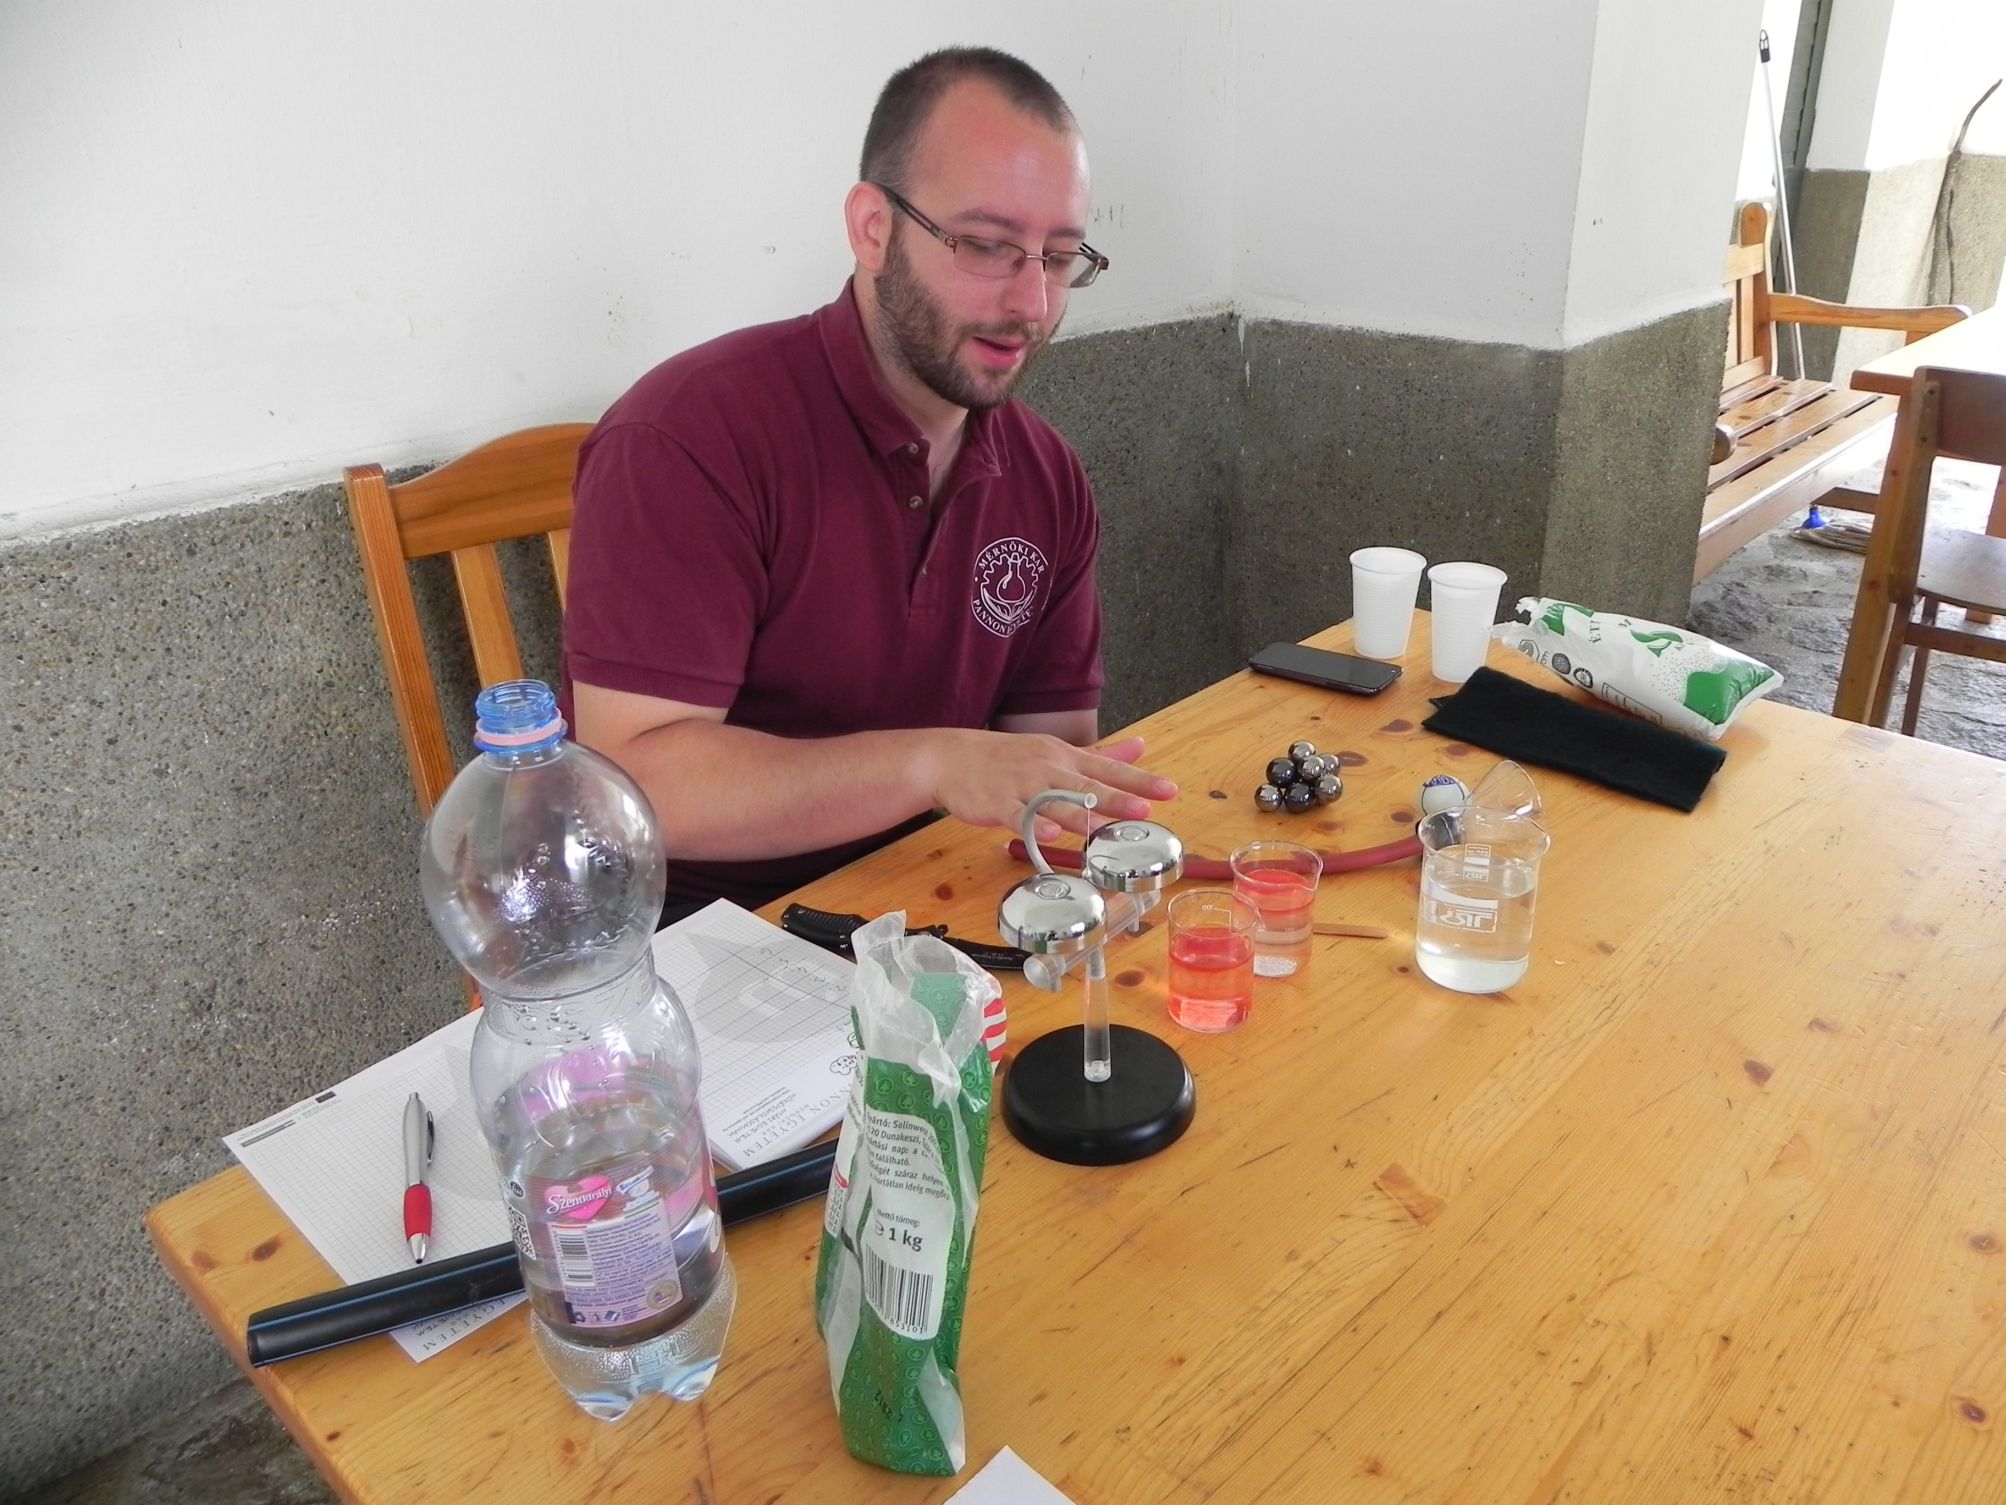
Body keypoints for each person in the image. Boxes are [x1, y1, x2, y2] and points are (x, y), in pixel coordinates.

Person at [562, 46, 1174, 913]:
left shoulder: (1047, 476)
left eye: (1060, 256)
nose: (1033, 305)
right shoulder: (690, 435)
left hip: (931, 906)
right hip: (696, 940)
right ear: (873, 229)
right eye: (988, 246)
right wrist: (932, 764)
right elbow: (635, 786)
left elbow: (1047, 764)